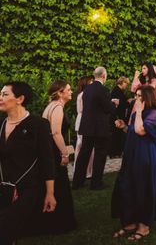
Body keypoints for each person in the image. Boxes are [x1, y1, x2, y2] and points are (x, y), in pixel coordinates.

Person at [0, 81, 56, 245]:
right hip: (3, 189)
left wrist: (50, 193)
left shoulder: (38, 125)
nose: (0, 98)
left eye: (4, 94)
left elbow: (47, 160)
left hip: (27, 189)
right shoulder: (1, 124)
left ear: (20, 99)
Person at [111, 85, 156, 241]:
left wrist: (138, 112)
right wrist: (124, 127)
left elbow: (141, 131)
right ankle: (131, 221)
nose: (137, 99)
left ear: (148, 97)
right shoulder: (137, 114)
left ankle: (144, 225)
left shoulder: (154, 113)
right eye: (136, 95)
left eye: (140, 96)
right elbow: (134, 130)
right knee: (129, 184)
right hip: (133, 154)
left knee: (143, 186)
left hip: (146, 156)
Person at [37, 80, 77, 235]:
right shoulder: (58, 108)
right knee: (60, 185)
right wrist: (64, 153)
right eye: (68, 89)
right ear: (60, 93)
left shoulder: (50, 106)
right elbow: (56, 132)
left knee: (54, 185)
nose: (71, 91)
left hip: (48, 150)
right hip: (54, 151)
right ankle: (61, 223)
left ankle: (51, 221)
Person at [72, 66, 118, 191]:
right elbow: (108, 109)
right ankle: (96, 183)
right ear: (104, 76)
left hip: (87, 126)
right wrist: (114, 104)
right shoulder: (103, 90)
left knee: (83, 154)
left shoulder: (87, 90)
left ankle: (77, 181)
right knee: (100, 155)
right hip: (100, 128)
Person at [73, 75, 94, 179]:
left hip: (82, 120)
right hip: (84, 121)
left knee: (81, 147)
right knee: (83, 147)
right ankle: (85, 172)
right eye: (91, 82)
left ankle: (85, 171)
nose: (92, 83)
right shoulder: (84, 95)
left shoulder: (81, 94)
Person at [109, 76, 130, 158]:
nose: (126, 86)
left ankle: (116, 152)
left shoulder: (118, 91)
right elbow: (117, 104)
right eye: (126, 84)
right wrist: (127, 102)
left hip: (117, 116)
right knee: (115, 135)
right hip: (116, 117)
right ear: (122, 82)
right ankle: (114, 153)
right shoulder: (116, 91)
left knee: (117, 135)